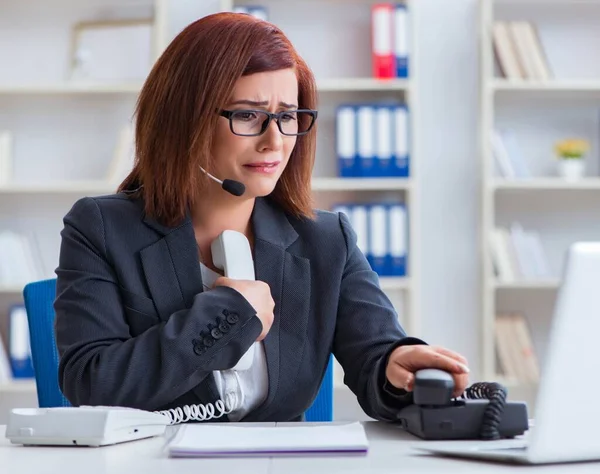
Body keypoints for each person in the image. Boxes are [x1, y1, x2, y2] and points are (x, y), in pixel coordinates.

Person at [54, 12, 470, 423]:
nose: (275, 141)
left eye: (287, 116)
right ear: (185, 119)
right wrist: (228, 314)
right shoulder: (101, 229)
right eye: (248, 115)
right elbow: (91, 383)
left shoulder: (326, 239)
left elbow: (375, 356)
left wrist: (398, 370)